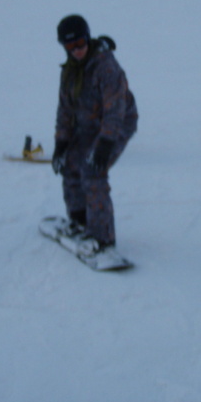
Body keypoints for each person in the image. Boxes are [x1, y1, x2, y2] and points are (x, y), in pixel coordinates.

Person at [51, 15, 138, 254]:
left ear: (88, 38)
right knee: (70, 163)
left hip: (117, 124)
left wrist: (106, 143)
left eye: (80, 43)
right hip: (88, 124)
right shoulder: (69, 71)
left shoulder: (106, 68)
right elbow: (65, 110)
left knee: (93, 170)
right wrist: (61, 144)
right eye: (70, 46)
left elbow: (115, 110)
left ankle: (103, 237)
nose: (77, 50)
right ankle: (80, 219)